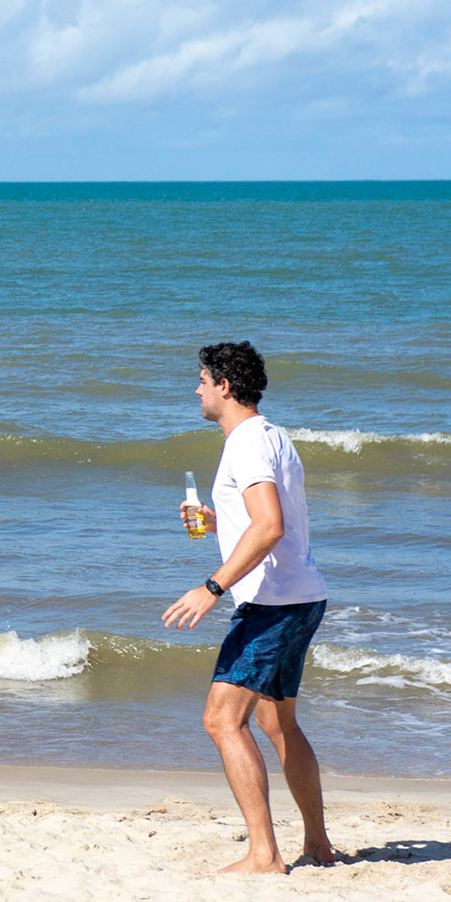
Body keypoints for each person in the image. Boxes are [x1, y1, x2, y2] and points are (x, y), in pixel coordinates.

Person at [162, 341, 333, 874]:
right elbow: (266, 521)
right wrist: (219, 523)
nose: (196, 389)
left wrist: (210, 588)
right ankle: (318, 845)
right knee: (278, 723)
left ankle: (264, 855)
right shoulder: (271, 435)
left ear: (224, 385)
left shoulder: (246, 443)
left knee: (221, 720)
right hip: (301, 595)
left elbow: (270, 526)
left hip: (270, 603)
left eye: (202, 380)